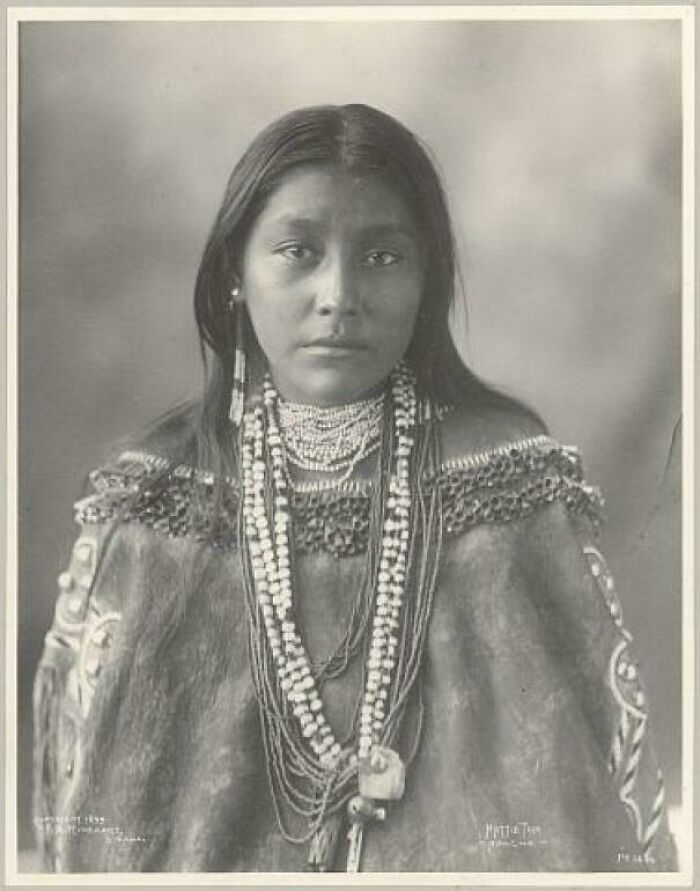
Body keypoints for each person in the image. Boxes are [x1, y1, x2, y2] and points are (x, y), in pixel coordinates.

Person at [32, 103, 677, 873]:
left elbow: (594, 807)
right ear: (235, 274)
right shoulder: (151, 510)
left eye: (380, 258)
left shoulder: (509, 486)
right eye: (299, 251)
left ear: (426, 278)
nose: (339, 295)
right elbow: (84, 814)